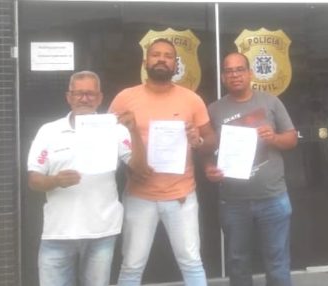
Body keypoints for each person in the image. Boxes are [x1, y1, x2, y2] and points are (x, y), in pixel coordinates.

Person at [109, 38, 216, 286]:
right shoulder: (125, 98)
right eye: (156, 54)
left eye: (168, 56)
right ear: (145, 61)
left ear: (175, 64)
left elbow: (211, 141)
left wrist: (197, 140)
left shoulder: (191, 99)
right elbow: (108, 140)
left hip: (181, 196)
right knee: (131, 265)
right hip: (139, 196)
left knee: (191, 262)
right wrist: (127, 165)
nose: (161, 59)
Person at [26, 70, 145, 286]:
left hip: (102, 231)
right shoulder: (48, 131)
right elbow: (34, 180)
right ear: (69, 97)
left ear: (99, 98)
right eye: (78, 93)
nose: (84, 99)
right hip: (59, 233)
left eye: (90, 94)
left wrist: (134, 131)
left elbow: (140, 169)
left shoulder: (115, 129)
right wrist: (55, 181)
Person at [205, 52, 298, 286]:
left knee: (277, 263)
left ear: (250, 73)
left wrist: (274, 138)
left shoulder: (271, 102)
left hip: (273, 197)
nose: (235, 75)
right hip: (233, 201)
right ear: (223, 77)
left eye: (240, 69)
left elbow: (291, 139)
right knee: (238, 263)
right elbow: (206, 149)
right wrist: (208, 168)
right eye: (229, 71)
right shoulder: (214, 110)